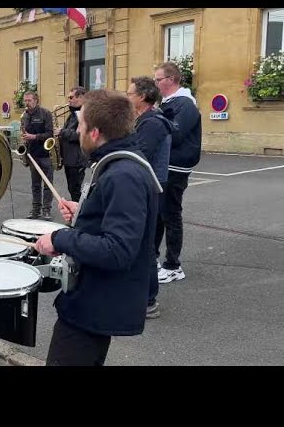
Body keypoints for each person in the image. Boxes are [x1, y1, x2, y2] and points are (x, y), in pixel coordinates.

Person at [34, 89, 158, 366]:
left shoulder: (124, 175)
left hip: (93, 306)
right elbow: (114, 221)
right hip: (92, 300)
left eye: (80, 125)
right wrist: (85, 212)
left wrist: (60, 238)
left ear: (94, 133)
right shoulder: (118, 164)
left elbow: (118, 250)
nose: (77, 131)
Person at [127, 76, 174, 319]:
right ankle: (140, 296)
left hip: (151, 188)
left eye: (130, 93)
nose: (127, 97)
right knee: (138, 244)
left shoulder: (153, 123)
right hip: (146, 187)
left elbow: (140, 156)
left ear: (143, 97)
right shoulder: (143, 120)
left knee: (145, 246)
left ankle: (148, 301)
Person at [154, 62, 202, 284]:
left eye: (158, 79)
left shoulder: (185, 103)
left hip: (176, 167)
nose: (156, 84)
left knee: (171, 214)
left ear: (170, 80)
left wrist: (154, 121)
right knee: (158, 214)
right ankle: (152, 258)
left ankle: (173, 266)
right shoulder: (170, 103)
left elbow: (177, 134)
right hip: (166, 166)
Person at [21, 91, 54, 220]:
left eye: (29, 100)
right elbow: (25, 133)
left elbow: (50, 133)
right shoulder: (24, 116)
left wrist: (33, 137)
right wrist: (25, 139)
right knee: (35, 185)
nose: (26, 103)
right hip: (32, 154)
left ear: (36, 100)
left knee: (47, 184)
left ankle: (46, 210)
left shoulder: (45, 113)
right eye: (25, 101)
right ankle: (36, 209)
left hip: (45, 154)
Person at [55, 87, 87, 201]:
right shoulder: (73, 114)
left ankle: (78, 214)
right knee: (72, 189)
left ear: (81, 98)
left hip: (77, 160)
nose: (69, 100)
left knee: (75, 190)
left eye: (71, 97)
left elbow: (80, 136)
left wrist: (62, 132)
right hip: (70, 159)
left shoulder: (84, 114)